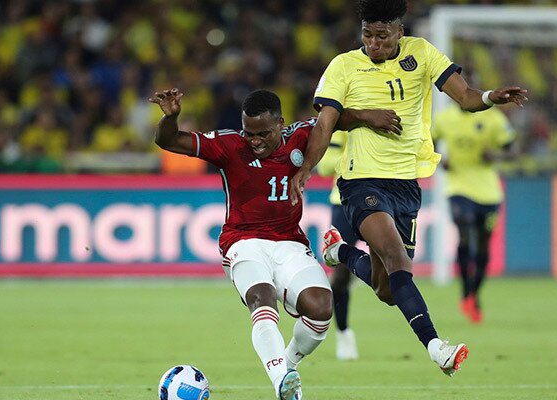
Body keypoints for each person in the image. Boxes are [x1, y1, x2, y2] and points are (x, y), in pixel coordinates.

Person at [289, 0, 528, 377]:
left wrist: (488, 98)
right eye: (367, 34)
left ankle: (341, 252)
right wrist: (305, 170)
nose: (373, 43)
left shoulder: (422, 53)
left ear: (400, 32)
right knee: (400, 262)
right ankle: (437, 347)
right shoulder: (343, 65)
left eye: (382, 35)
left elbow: (465, 97)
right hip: (360, 179)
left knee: (387, 289)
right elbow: (324, 124)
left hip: (406, 184)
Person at [149, 88, 400, 399]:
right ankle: (282, 380)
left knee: (321, 308)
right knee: (261, 297)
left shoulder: (301, 136)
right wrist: (170, 118)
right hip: (243, 241)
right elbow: (168, 141)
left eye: (263, 134)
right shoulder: (229, 144)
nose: (254, 141)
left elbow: (335, 119)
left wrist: (367, 116)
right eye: (249, 133)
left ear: (281, 123)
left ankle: (288, 366)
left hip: (289, 243)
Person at [432, 102, 517, 323]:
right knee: (464, 228)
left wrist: (496, 156)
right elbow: (425, 143)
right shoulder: (444, 118)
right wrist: (440, 159)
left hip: (489, 193)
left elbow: (513, 151)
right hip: (458, 186)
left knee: (482, 244)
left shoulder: (494, 118)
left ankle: (474, 294)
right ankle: (465, 291)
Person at [317, 130, 360, 360]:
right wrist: (358, 158)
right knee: (341, 273)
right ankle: (343, 331)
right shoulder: (342, 125)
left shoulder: (391, 116)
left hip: (384, 199)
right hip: (345, 203)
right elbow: (324, 167)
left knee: (393, 266)